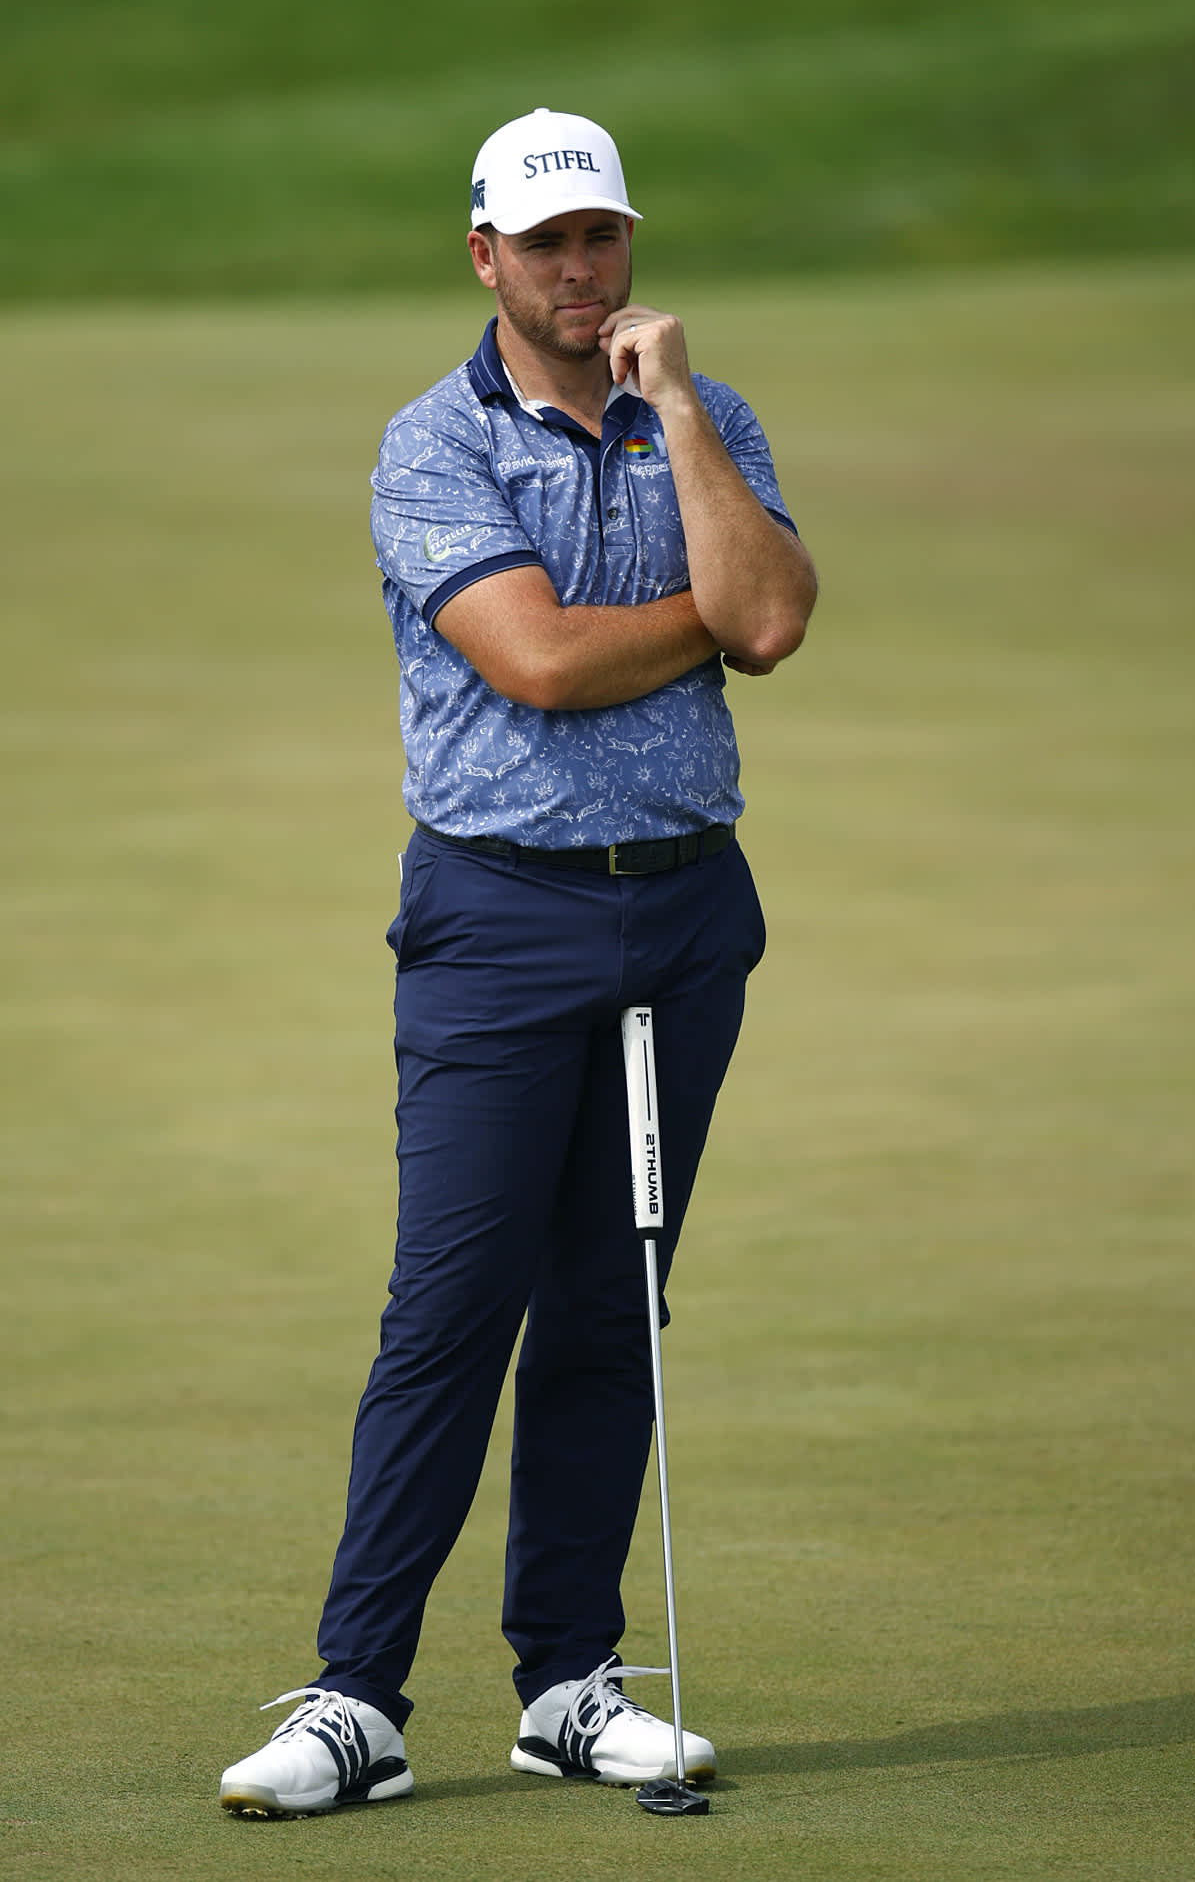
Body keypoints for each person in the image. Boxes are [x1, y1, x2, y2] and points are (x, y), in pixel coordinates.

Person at [219, 106, 817, 1819]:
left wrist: (684, 416)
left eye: (603, 238)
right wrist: (703, 616)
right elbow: (541, 663)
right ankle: (356, 1698)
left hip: (688, 911)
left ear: (630, 248)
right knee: (454, 1306)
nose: (578, 269)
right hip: (500, 921)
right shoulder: (434, 446)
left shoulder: (711, 421)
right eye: (544, 242)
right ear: (483, 253)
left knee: (612, 1303)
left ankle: (568, 1680)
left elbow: (767, 616)